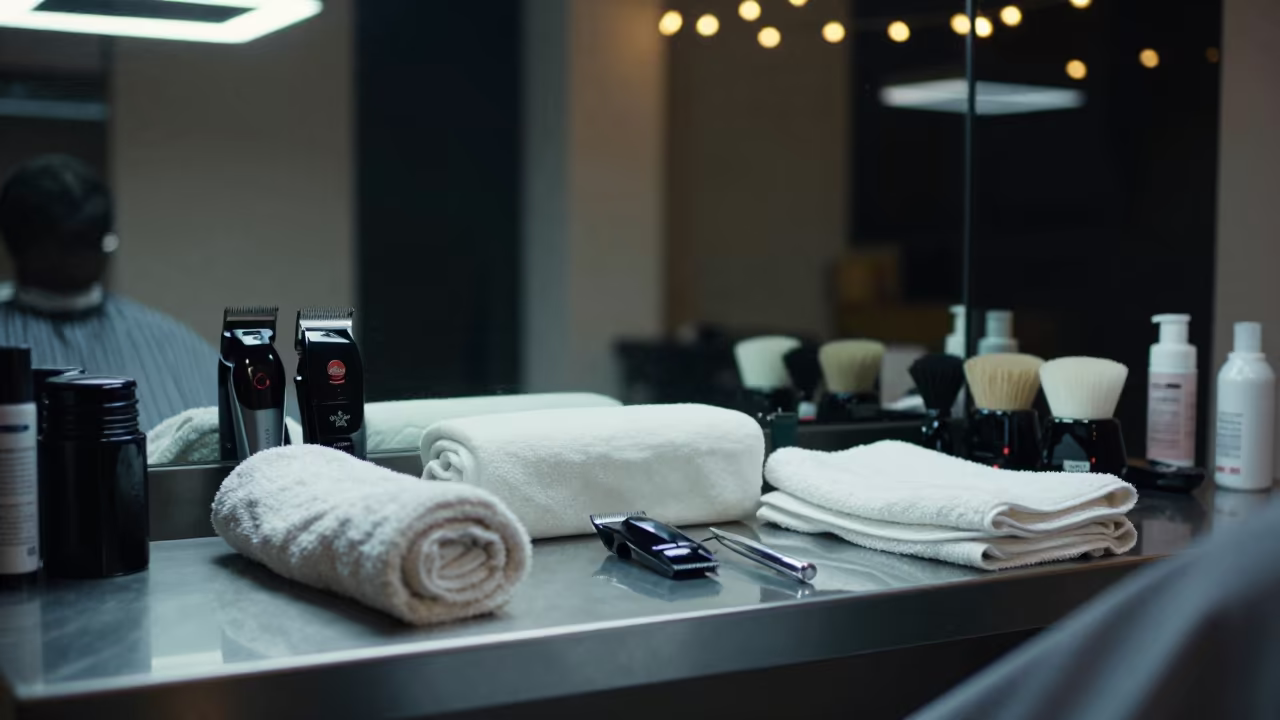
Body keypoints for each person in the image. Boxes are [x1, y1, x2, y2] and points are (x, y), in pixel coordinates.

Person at [0, 154, 215, 431]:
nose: (87, 259)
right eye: (71, 247)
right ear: (22, 246)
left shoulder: (164, 339)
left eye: (97, 243)